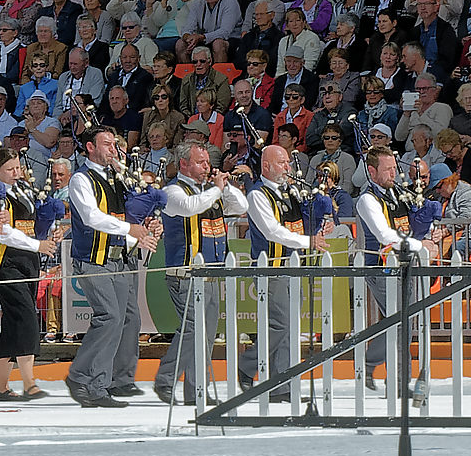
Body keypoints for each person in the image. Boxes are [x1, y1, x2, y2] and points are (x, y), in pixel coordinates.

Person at [65, 126, 159, 406]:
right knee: (110, 318)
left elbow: (135, 206)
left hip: (119, 257)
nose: (113, 148)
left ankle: (101, 382)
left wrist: (144, 224)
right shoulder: (81, 179)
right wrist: (131, 228)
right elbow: (92, 217)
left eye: (115, 143)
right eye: (107, 144)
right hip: (94, 258)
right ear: (90, 147)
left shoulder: (117, 177)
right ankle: (85, 379)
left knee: (121, 320)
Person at [155, 141, 246, 405]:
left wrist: (224, 186)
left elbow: (241, 206)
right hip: (185, 273)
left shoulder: (211, 191)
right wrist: (216, 190)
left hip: (211, 274)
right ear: (184, 164)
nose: (207, 167)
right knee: (193, 331)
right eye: (200, 162)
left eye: (207, 162)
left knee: (205, 336)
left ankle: (197, 389)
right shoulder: (172, 191)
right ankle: (166, 378)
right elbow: (190, 207)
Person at [244, 144, 335, 402]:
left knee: (290, 328)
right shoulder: (257, 195)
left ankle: (281, 385)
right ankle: (249, 365)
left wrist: (320, 227)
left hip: (293, 268)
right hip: (272, 269)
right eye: (282, 162)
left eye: (287, 162)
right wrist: (308, 241)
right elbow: (272, 231)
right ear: (266, 166)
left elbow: (303, 222)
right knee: (282, 326)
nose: (288, 167)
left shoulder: (291, 192)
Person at [0, 147, 64, 401]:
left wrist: (51, 233)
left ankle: (1, 387)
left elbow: (35, 223)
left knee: (13, 323)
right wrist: (38, 245)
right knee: (27, 316)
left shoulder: (25, 190)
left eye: (18, 168)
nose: (16, 173)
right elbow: (5, 231)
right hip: (4, 261)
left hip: (27, 260)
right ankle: (29, 383)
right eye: (10, 170)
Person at [356, 147, 438, 395]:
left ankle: (383, 370)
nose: (394, 173)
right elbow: (384, 234)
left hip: (404, 266)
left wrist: (429, 230)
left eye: (394, 167)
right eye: (388, 169)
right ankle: (399, 382)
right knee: (400, 323)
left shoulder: (397, 194)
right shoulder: (367, 199)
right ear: (372, 171)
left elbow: (410, 226)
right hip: (382, 269)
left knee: (403, 323)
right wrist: (419, 244)